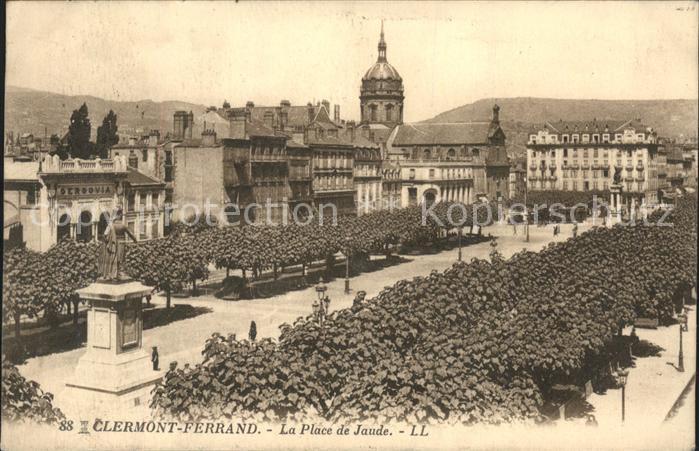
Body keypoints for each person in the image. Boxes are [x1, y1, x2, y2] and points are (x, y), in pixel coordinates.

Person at [98, 207, 138, 282]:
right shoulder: (123, 225)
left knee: (114, 259)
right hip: (121, 244)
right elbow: (131, 234)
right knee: (120, 259)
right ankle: (117, 273)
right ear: (119, 215)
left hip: (113, 244)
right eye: (121, 215)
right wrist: (135, 240)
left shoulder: (111, 225)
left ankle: (113, 273)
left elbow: (105, 235)